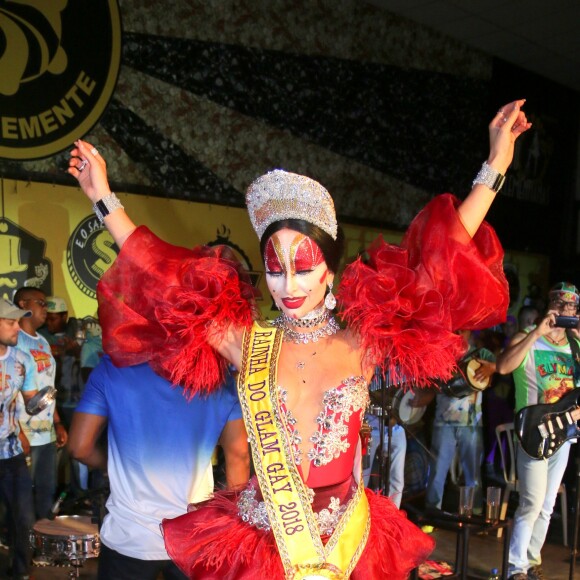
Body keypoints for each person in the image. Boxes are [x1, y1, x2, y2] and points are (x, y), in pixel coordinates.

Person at [67, 100, 531, 578]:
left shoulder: (362, 341)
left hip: (347, 545)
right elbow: (159, 272)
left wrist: (495, 164)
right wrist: (102, 196)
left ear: (330, 269)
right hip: (263, 544)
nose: (289, 285)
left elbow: (438, 258)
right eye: (275, 268)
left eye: (304, 267)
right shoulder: (246, 343)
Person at [67, 355, 249, 580]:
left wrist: (113, 462)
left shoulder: (114, 368)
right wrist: (233, 528)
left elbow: (78, 447)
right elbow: (239, 456)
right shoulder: (219, 380)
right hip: (193, 536)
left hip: (129, 536)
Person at [496, 282, 580, 580]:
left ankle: (531, 561)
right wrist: (536, 333)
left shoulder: (576, 346)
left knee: (547, 504)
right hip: (533, 431)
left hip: (565, 432)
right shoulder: (528, 338)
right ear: (549, 307)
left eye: (569, 307)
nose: (563, 311)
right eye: (558, 305)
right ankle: (514, 567)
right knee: (531, 502)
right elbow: (503, 367)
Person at [421, 330, 496, 512]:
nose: (458, 333)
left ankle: (473, 511)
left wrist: (491, 368)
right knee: (438, 470)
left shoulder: (481, 353)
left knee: (472, 470)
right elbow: (430, 383)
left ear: (470, 331)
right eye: (455, 329)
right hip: (443, 421)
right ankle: (432, 512)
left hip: (471, 422)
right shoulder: (440, 354)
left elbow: (494, 371)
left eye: (462, 329)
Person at [13, 286, 68, 521]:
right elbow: (10, 390)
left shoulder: (43, 342)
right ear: (24, 305)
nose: (46, 309)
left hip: (45, 433)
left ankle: (43, 543)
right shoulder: (14, 339)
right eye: (41, 303)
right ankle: (17, 543)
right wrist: (17, 432)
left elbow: (48, 387)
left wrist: (58, 423)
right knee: (21, 494)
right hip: (22, 433)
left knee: (46, 489)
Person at [0, 299, 38, 580]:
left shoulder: (22, 360)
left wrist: (41, 400)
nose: (18, 328)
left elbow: (29, 402)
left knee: (24, 519)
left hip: (11, 453)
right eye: (10, 322)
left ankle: (21, 572)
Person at [363, 369, 407, 508]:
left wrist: (398, 413)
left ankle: (393, 514)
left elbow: (408, 392)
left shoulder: (400, 366)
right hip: (369, 424)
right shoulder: (370, 365)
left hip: (396, 427)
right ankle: (360, 514)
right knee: (363, 474)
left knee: (397, 478)